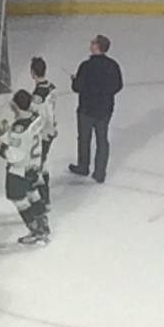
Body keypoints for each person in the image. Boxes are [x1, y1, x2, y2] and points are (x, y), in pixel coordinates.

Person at [68, 34, 123, 184]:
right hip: (104, 109)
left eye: (92, 42)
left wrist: (74, 81)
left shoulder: (86, 66)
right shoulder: (113, 66)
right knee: (102, 140)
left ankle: (83, 166)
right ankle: (100, 172)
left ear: (96, 47)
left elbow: (77, 87)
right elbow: (118, 85)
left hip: (86, 109)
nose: (90, 44)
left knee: (84, 139)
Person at [0, 89, 50, 245]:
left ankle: (35, 230)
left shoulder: (18, 130)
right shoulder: (36, 118)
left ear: (16, 105)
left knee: (18, 199)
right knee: (33, 193)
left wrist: (0, 147)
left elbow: (15, 155)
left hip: (20, 169)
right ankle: (43, 224)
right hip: (34, 163)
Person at [30, 57, 58, 209]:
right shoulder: (52, 87)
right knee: (44, 162)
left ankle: (44, 198)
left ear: (32, 72)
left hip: (43, 133)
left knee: (38, 165)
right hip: (51, 129)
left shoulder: (38, 95)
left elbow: (43, 116)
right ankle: (45, 197)